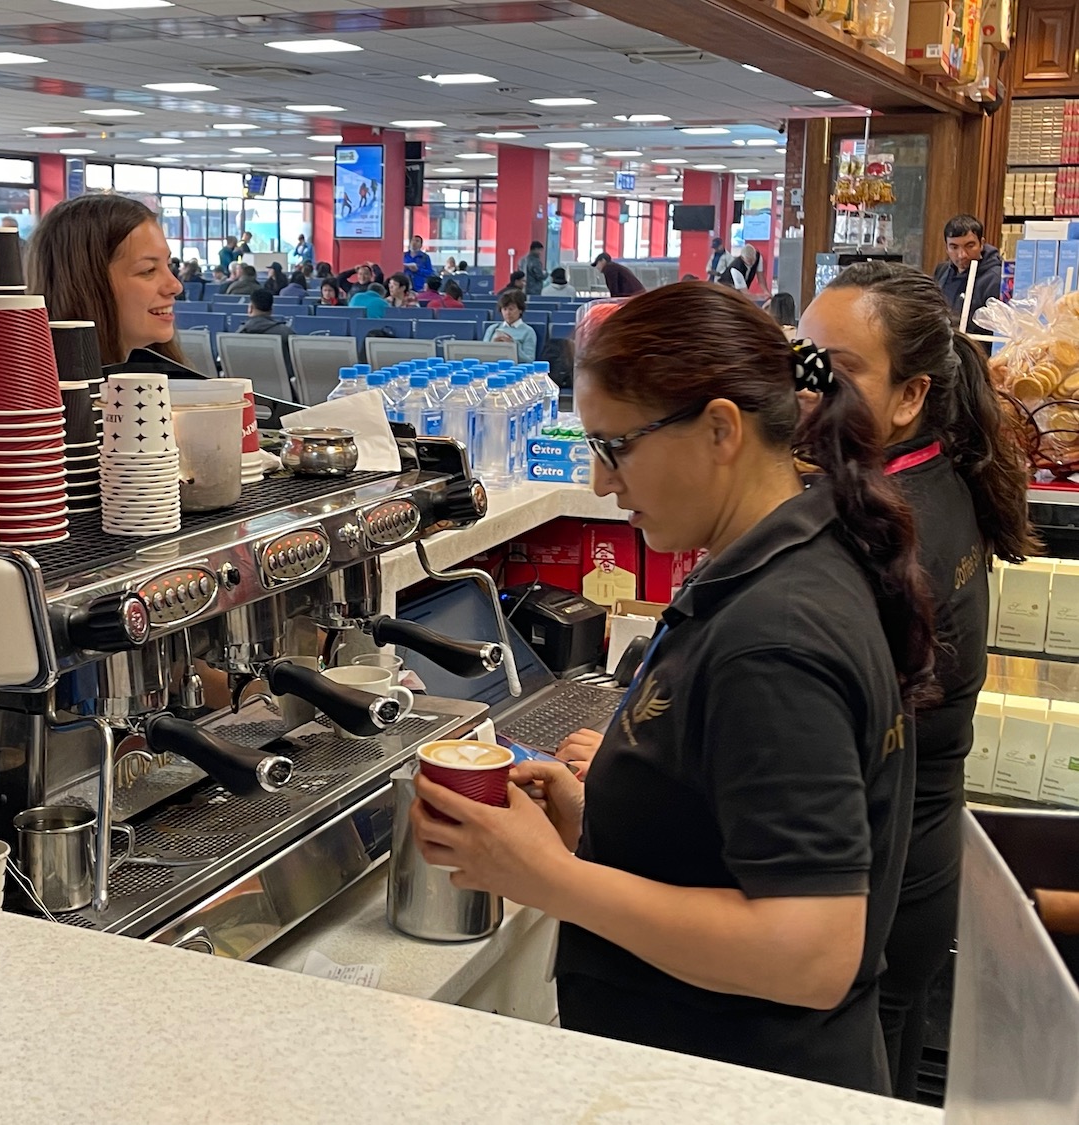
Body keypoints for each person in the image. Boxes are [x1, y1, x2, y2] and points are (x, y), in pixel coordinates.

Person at [416, 281, 932, 1094]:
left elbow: (811, 951)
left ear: (721, 429)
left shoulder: (775, 634)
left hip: (747, 1082)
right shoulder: (782, 560)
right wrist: (603, 823)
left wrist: (546, 877)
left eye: (615, 445)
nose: (600, 481)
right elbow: (739, 843)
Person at [798, 261, 1036, 1100]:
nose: (808, 386)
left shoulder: (879, 534)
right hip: (919, 871)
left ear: (910, 396)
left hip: (878, 891)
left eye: (840, 368)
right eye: (804, 358)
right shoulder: (932, 482)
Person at [27, 193, 186, 367]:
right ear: (87, 283)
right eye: (148, 270)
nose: (175, 286)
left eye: (169, 265)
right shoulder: (40, 391)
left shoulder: (175, 382)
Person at [933, 214, 1003, 338]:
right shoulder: (942, 271)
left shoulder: (996, 279)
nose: (962, 255)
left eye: (970, 246)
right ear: (946, 247)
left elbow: (997, 331)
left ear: (981, 244)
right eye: (954, 247)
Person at [238, 289, 295, 375]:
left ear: (250, 308)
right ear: (271, 309)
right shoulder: (287, 334)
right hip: (280, 386)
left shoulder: (237, 335)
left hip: (246, 386)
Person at [483, 289, 537, 362]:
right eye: (504, 309)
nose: (507, 313)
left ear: (520, 310)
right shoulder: (492, 329)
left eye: (511, 309)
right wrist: (493, 345)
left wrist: (512, 346)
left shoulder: (528, 331)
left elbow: (529, 360)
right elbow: (483, 354)